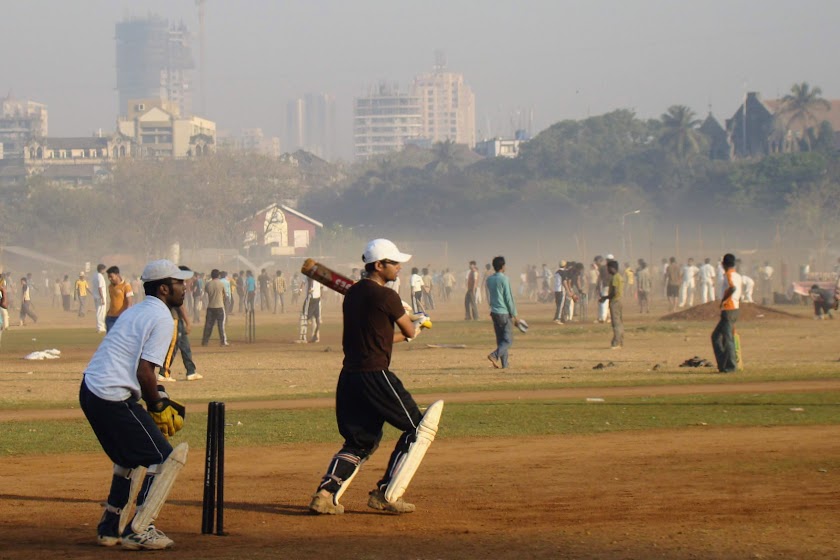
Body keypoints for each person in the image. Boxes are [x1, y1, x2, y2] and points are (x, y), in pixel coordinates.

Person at [309, 238, 431, 515]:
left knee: (359, 442)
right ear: (379, 265)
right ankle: (386, 493)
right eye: (394, 262)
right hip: (375, 374)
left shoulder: (353, 294)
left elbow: (382, 338)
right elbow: (408, 332)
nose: (399, 267)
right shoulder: (385, 297)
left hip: (350, 377)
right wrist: (416, 322)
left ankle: (325, 494)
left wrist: (405, 319)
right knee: (417, 428)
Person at [79, 259, 192, 549]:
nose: (184, 287)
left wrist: (157, 395)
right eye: (179, 283)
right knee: (166, 458)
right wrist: (157, 406)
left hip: (92, 390)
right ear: (164, 288)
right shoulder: (163, 318)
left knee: (130, 458)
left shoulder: (137, 311)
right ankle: (139, 529)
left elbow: (136, 369)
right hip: (112, 395)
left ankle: (110, 526)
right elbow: (144, 371)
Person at [162, 266, 203, 381]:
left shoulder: (177, 284)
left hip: (177, 319)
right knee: (173, 346)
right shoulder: (175, 285)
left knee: (185, 346)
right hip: (174, 318)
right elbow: (181, 306)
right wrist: (188, 322)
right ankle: (163, 372)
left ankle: (191, 371)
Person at [486, 256, 520, 369]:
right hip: (504, 312)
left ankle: (505, 365)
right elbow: (508, 298)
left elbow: (489, 296)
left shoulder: (489, 279)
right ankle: (494, 355)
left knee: (501, 340)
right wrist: (514, 315)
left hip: (494, 312)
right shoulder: (504, 279)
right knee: (508, 340)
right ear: (502, 266)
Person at [711, 253, 742, 373]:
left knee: (727, 338)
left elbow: (732, 288)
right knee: (718, 336)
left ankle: (730, 366)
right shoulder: (738, 275)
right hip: (734, 307)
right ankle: (723, 364)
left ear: (723, 264)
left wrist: (724, 300)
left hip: (729, 308)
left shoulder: (728, 274)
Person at [600, 260, 624, 349]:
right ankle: (620, 341)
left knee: (616, 322)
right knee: (620, 322)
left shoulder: (614, 278)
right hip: (619, 300)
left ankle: (616, 342)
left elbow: (613, 292)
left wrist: (605, 298)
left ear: (612, 268)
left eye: (608, 268)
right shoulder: (619, 277)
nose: (607, 270)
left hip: (615, 301)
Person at [201, 269, 228, 346]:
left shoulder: (208, 284)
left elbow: (206, 292)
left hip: (210, 307)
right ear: (218, 275)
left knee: (208, 325)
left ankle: (205, 341)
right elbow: (225, 296)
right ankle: (223, 341)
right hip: (219, 306)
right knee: (221, 325)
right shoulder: (221, 284)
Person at [105, 266, 134, 332]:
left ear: (117, 275)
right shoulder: (110, 286)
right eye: (108, 277)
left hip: (121, 317)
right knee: (110, 339)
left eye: (111, 276)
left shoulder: (126, 286)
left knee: (120, 338)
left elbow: (129, 302)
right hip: (110, 317)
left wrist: (127, 315)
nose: (110, 279)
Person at [297, 274, 322, 343]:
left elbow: (310, 281)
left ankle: (303, 337)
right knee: (317, 318)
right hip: (317, 298)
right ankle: (315, 336)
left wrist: (309, 290)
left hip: (311, 297)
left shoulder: (309, 275)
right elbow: (321, 287)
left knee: (304, 316)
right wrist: (301, 289)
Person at [92, 264, 108, 333]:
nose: (105, 271)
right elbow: (100, 288)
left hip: (96, 296)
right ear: (101, 269)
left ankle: (100, 326)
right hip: (100, 297)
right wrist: (102, 298)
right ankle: (100, 327)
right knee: (101, 312)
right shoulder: (100, 276)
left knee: (99, 312)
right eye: (104, 269)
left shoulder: (95, 275)